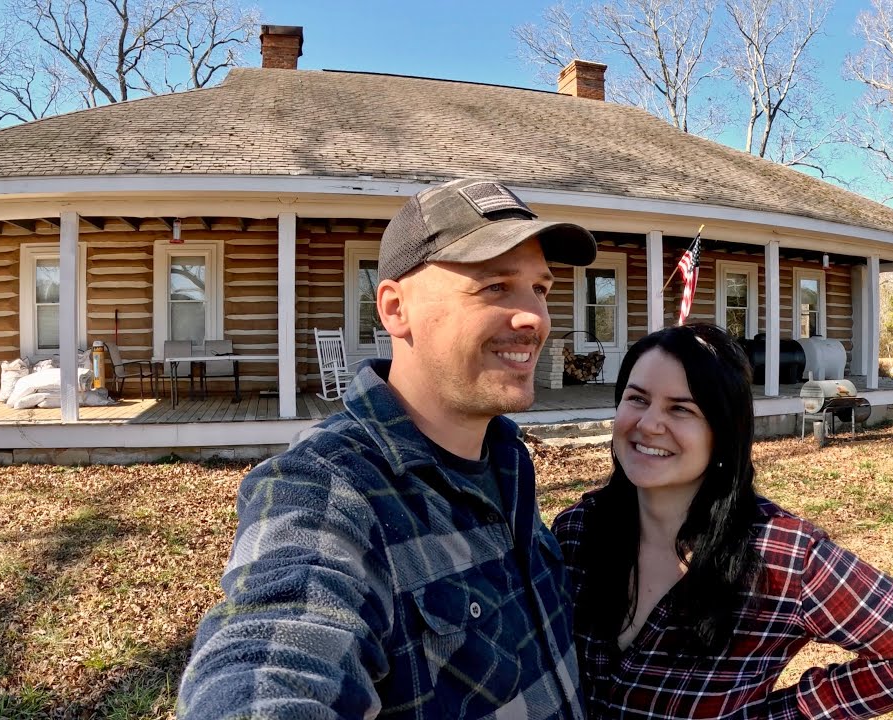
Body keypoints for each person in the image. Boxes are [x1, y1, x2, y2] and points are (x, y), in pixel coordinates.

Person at [179, 178, 598, 719]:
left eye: (541, 289)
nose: (535, 318)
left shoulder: (507, 460)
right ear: (396, 308)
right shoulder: (328, 489)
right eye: (495, 286)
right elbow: (269, 665)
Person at [553, 323, 893, 719]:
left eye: (681, 409)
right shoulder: (576, 532)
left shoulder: (783, 558)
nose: (648, 425)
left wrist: (785, 713)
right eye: (637, 399)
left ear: (724, 434)